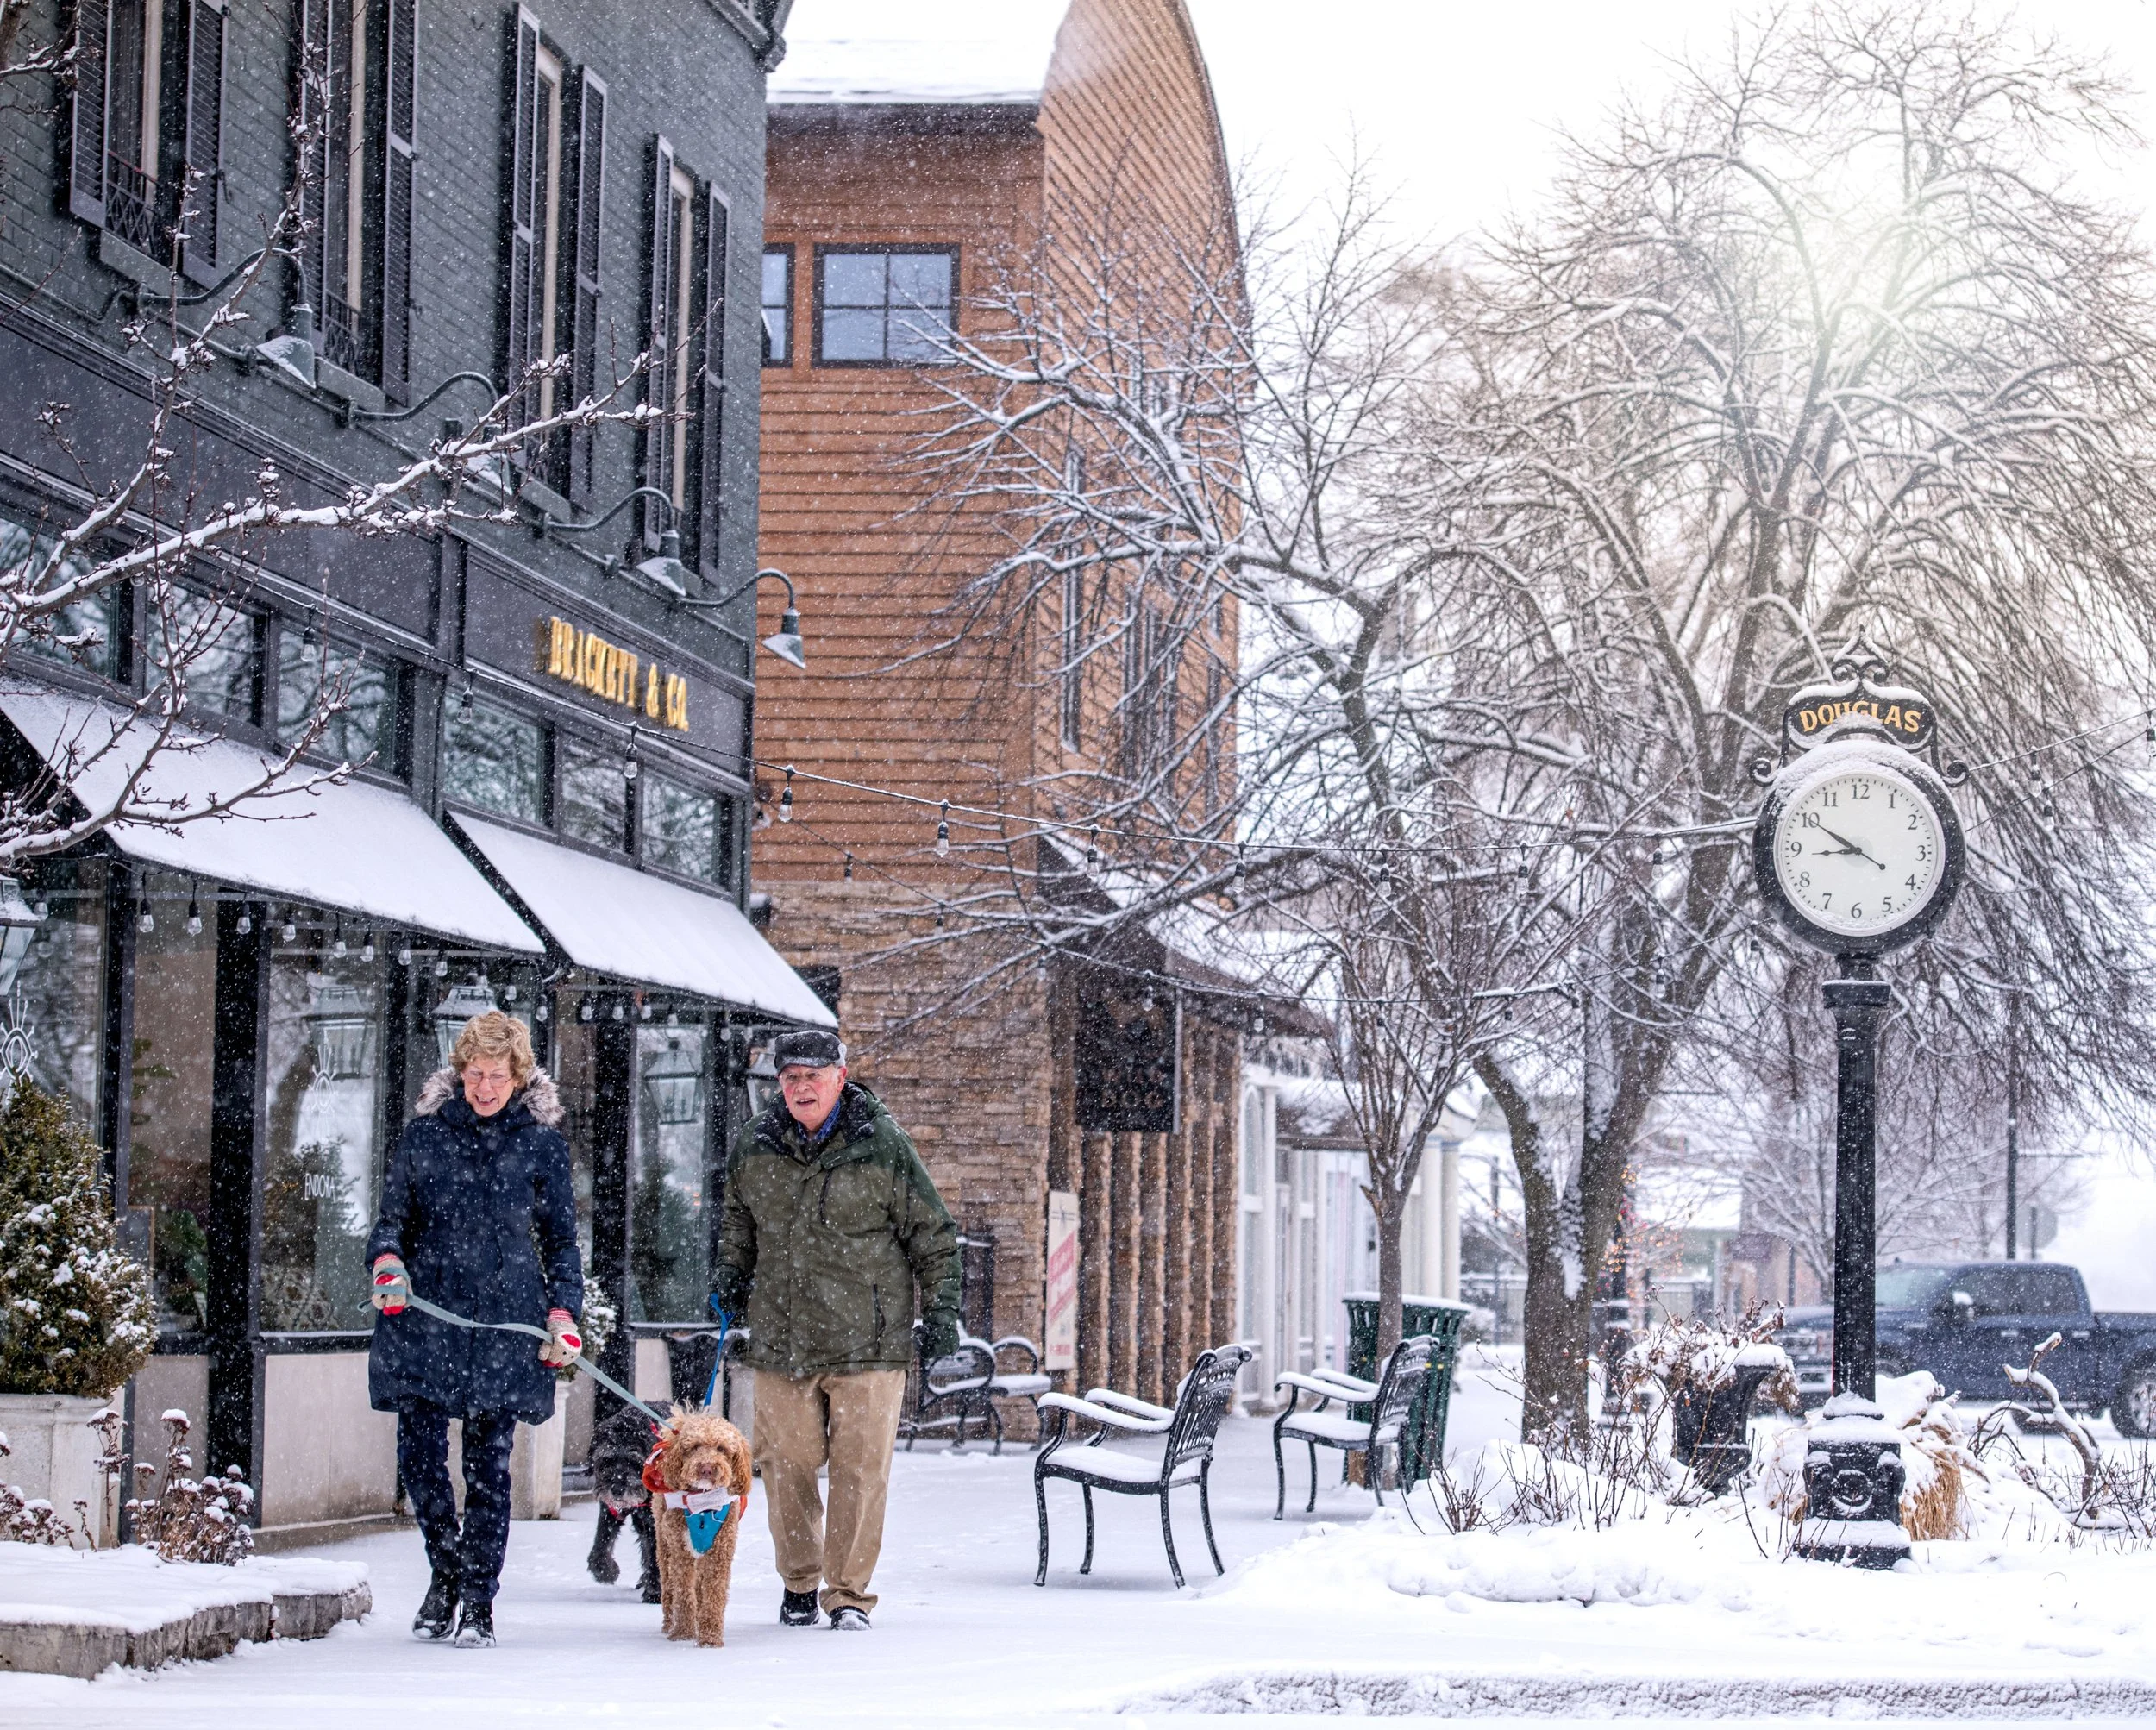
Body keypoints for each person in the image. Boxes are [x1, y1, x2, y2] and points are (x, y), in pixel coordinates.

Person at [713, 1029, 960, 1631]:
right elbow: (737, 1226)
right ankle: (799, 1581)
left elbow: (934, 1234)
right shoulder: (756, 1144)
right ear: (780, 1085)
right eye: (790, 1077)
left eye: (813, 1076)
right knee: (786, 1463)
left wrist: (944, 1312)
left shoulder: (883, 1146)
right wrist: (728, 1278)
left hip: (870, 1341)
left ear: (839, 1080)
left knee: (859, 1469)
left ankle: (847, 1593)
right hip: (783, 1337)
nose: (801, 1087)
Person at [365, 1011, 583, 1648]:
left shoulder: (541, 1145)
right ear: (458, 1073)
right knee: (421, 1462)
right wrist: (387, 1263)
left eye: (498, 1076)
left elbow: (562, 1242)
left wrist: (563, 1312)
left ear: (519, 1077)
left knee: (488, 1470)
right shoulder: (424, 1136)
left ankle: (478, 1604)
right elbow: (391, 1220)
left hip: (503, 1323)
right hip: (426, 1320)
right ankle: (446, 1572)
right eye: (475, 1074)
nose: (485, 1088)